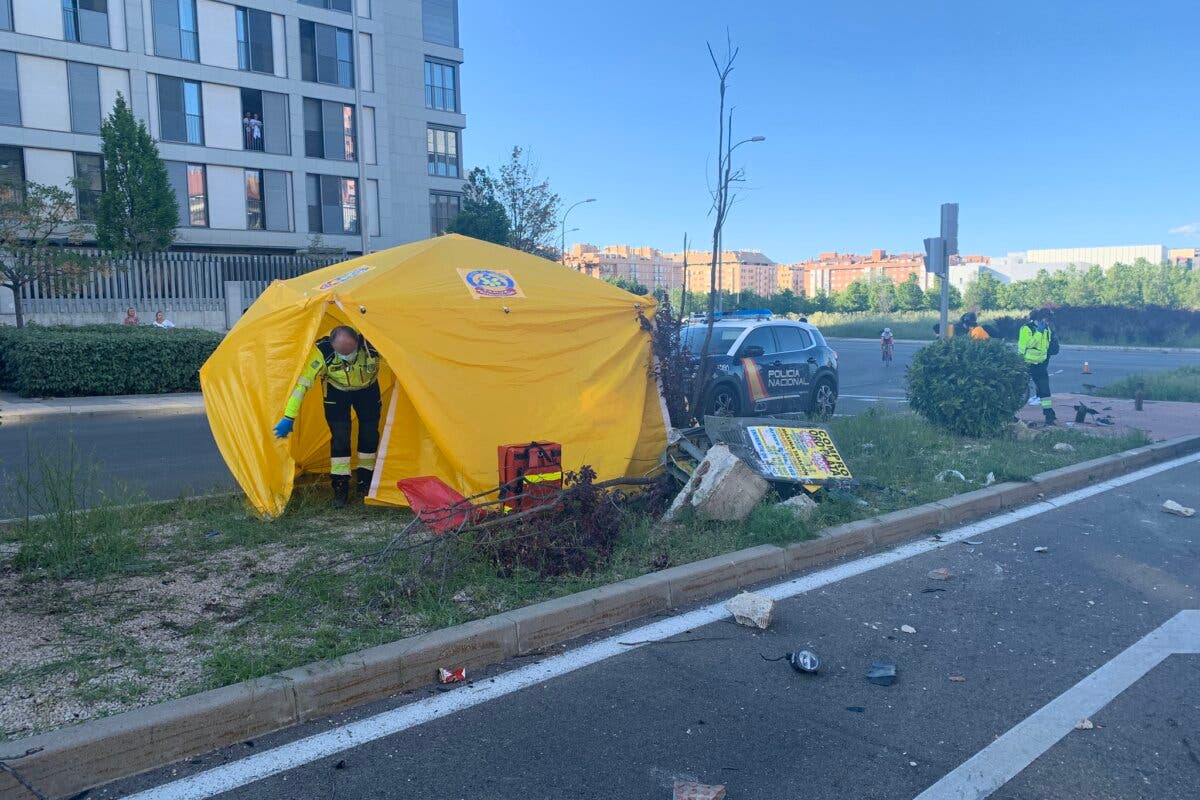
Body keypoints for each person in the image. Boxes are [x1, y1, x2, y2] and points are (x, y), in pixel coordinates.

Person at [273, 325, 382, 507]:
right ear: (333, 346)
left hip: (367, 389)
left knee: (369, 435)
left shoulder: (372, 344)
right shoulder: (322, 353)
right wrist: (289, 417)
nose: (348, 357)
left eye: (352, 352)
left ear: (358, 341)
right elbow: (301, 386)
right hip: (336, 391)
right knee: (340, 438)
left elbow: (401, 360)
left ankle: (365, 481)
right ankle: (340, 487)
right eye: (343, 353)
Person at [1018, 309, 1058, 424]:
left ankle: (1049, 415)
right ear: (1041, 318)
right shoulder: (1026, 328)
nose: (1049, 322)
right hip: (1025, 363)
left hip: (1040, 365)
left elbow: (1046, 346)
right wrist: (1039, 332)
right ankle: (1011, 413)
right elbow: (1029, 344)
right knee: (1020, 389)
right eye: (1047, 320)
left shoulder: (1047, 330)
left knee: (1045, 391)